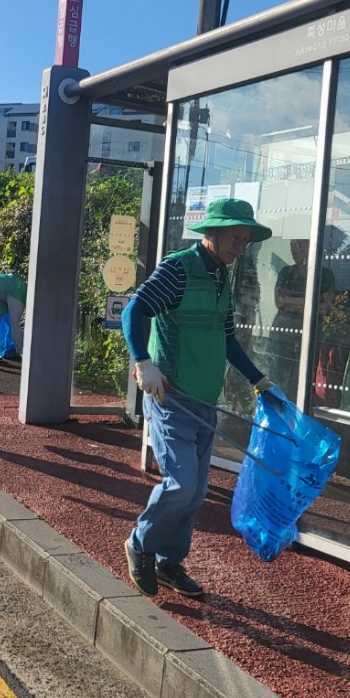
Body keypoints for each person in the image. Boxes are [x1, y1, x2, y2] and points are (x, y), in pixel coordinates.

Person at [121, 197, 279, 598]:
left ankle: (169, 561)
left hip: (205, 398)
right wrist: (143, 362)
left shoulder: (220, 279)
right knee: (180, 483)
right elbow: (134, 310)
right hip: (171, 395)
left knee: (196, 489)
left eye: (245, 240)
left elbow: (227, 339)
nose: (239, 247)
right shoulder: (178, 269)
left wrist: (259, 381)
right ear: (212, 233)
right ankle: (140, 543)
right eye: (234, 238)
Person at [268, 239, 336, 391]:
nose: (294, 250)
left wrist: (291, 302)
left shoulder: (324, 274)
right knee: (278, 378)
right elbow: (279, 302)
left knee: (302, 381)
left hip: (310, 337)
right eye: (292, 245)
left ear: (310, 246)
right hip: (282, 336)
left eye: (299, 245)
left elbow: (326, 308)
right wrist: (314, 302)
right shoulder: (286, 272)